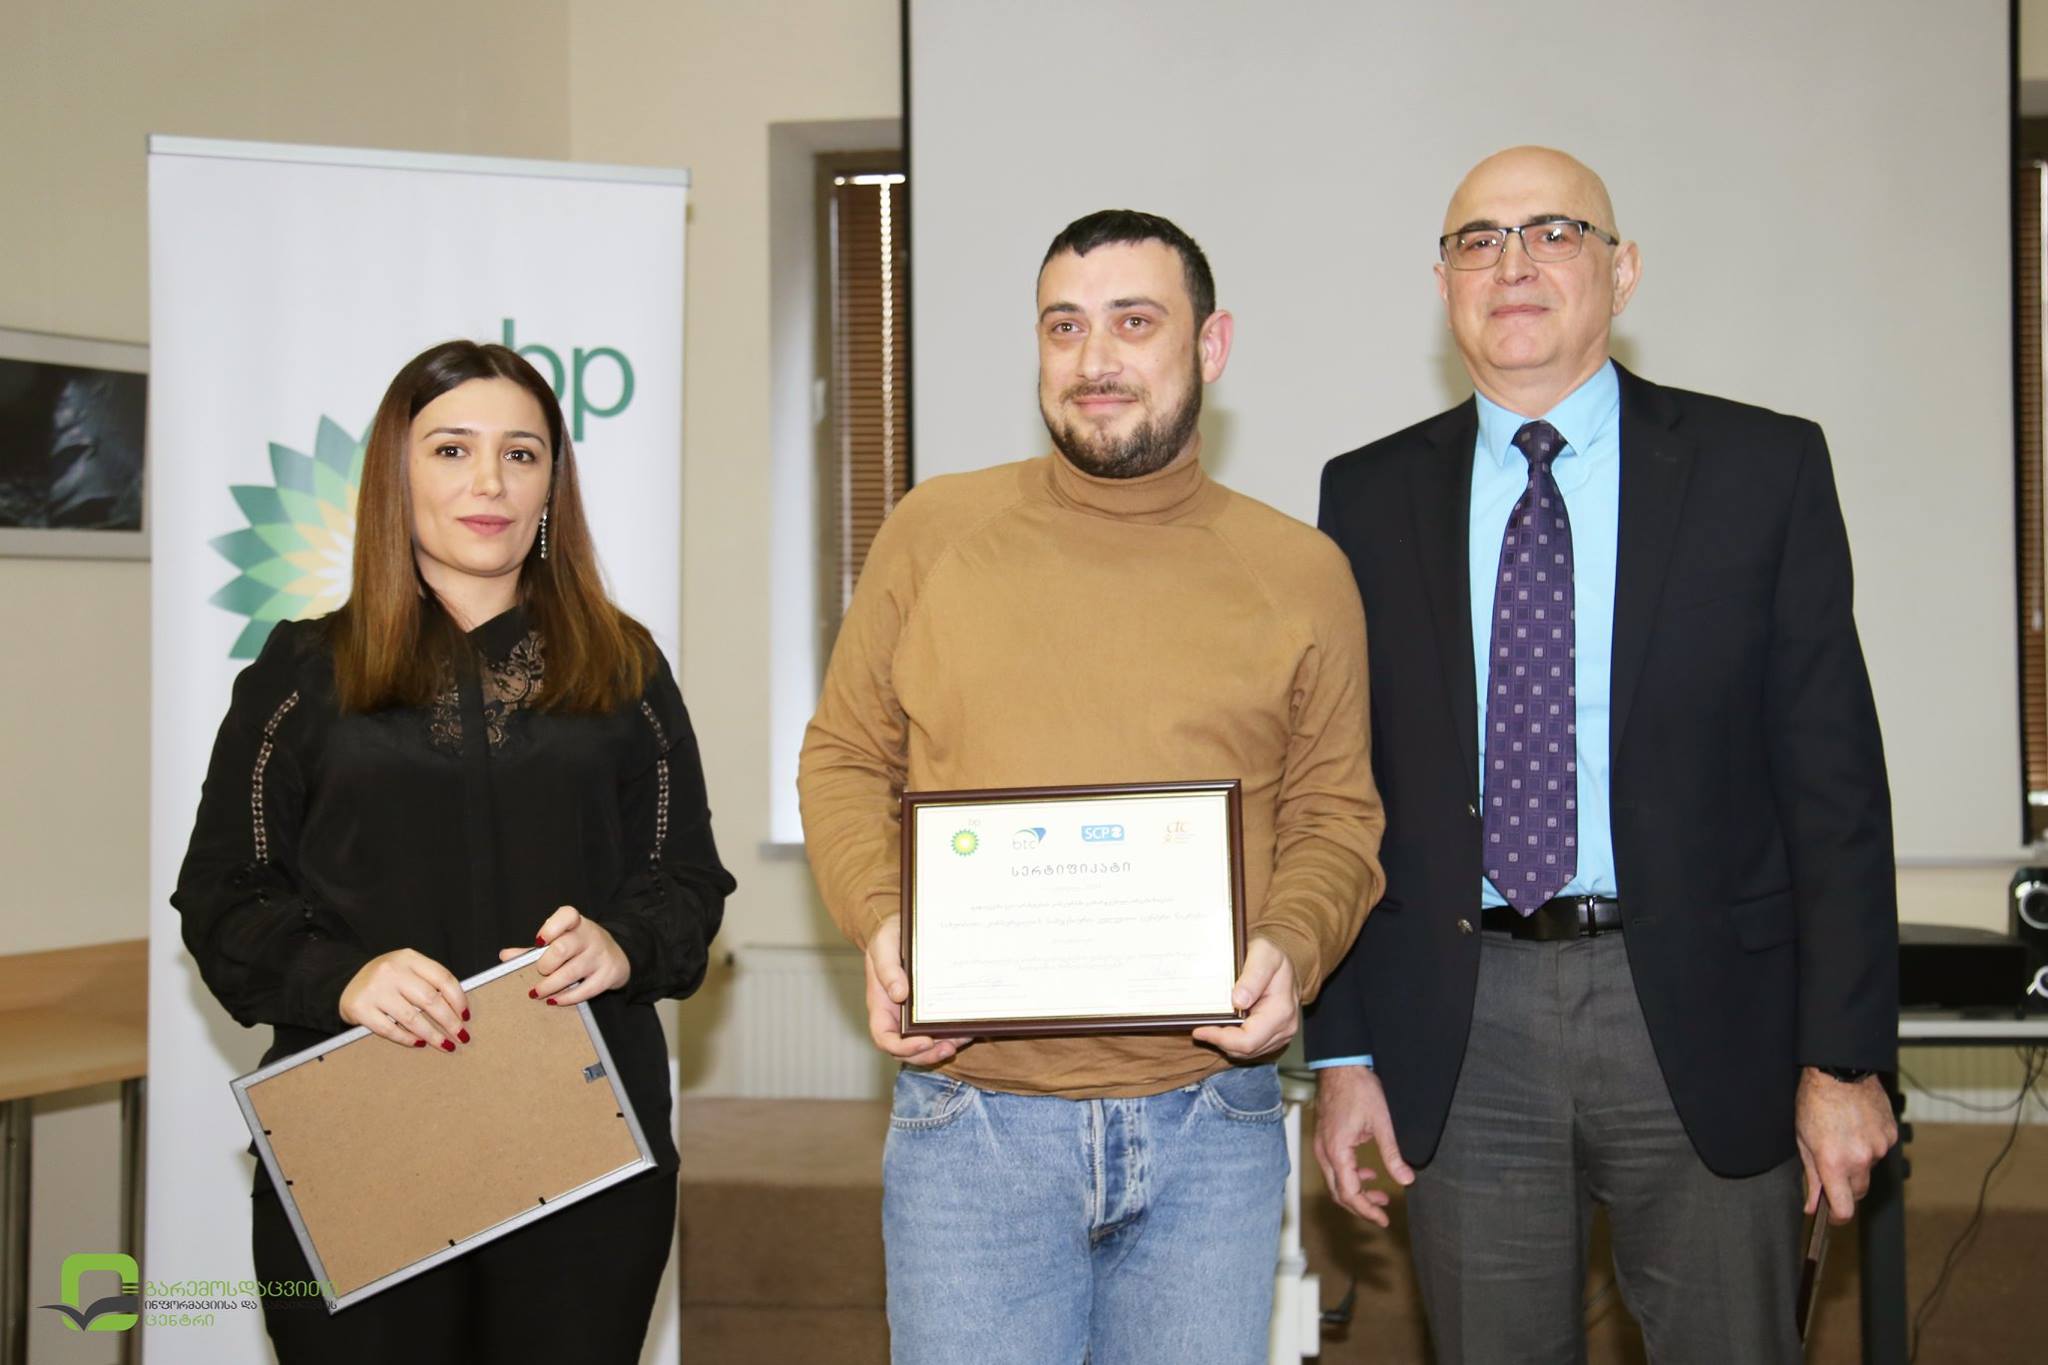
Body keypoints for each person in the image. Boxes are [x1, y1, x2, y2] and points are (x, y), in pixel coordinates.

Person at [1305, 146, 1900, 1363]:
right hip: (1460, 1024)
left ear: (1621, 272)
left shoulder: (1760, 469)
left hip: (1703, 1012)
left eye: (1552, 232)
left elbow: (1832, 785)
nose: (1511, 264)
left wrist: (1842, 1058)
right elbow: (1345, 791)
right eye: (1477, 241)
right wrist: (1346, 1051)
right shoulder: (1366, 496)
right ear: (1441, 283)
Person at [798, 209, 1385, 1364]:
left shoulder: (1301, 572)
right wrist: (882, 921)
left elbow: (1335, 817)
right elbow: (845, 759)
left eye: (1133, 322)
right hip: (970, 1122)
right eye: (1062, 327)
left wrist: (1292, 947)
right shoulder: (933, 533)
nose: (1093, 359)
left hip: (1211, 1124)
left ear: (1209, 345)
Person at [174, 339, 733, 1362]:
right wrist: (344, 979)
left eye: (521, 454)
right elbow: (223, 892)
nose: (489, 482)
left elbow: (687, 881)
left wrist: (621, 943)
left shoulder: (625, 666)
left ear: (551, 486)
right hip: (360, 1139)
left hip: (582, 1141)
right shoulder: (304, 669)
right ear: (396, 474)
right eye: (450, 449)